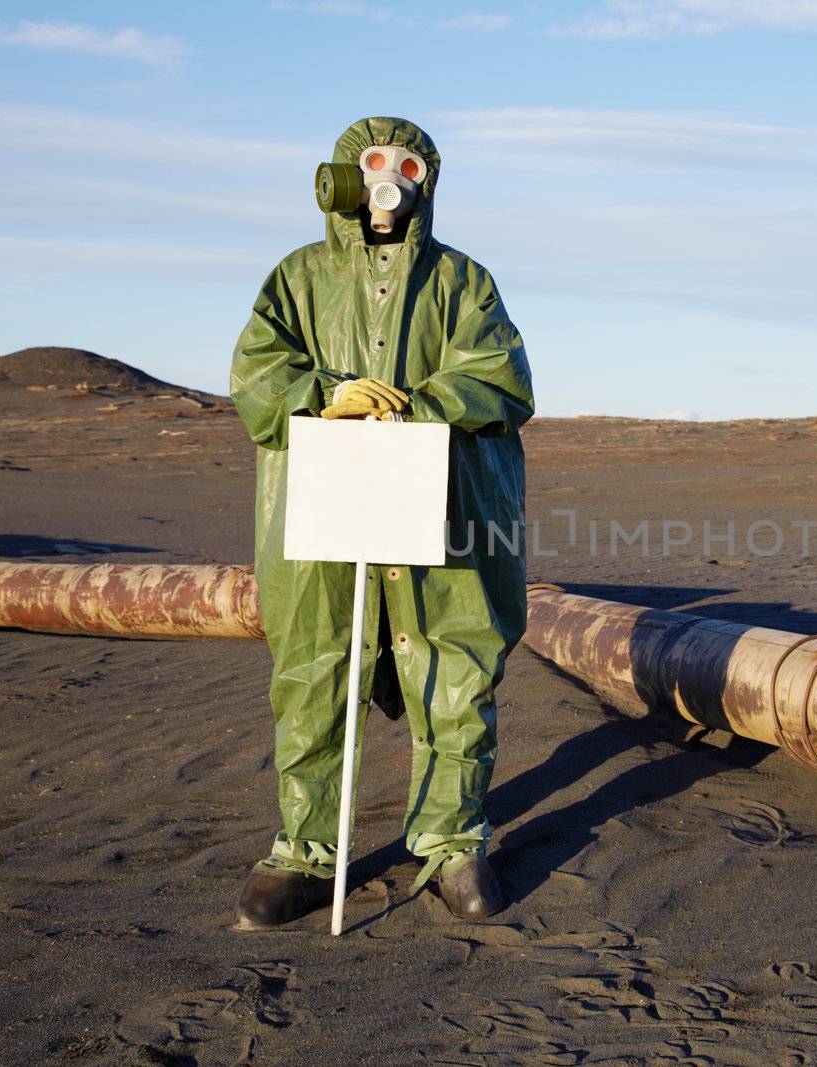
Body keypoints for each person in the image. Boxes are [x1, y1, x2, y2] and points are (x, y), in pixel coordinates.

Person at [228, 116, 534, 928]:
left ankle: (451, 843)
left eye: (405, 166)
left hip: (444, 508)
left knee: (454, 668)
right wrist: (325, 394)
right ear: (338, 177)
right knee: (317, 667)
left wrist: (416, 405)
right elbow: (257, 371)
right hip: (326, 501)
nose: (386, 181)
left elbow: (503, 379)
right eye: (370, 165)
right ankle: (305, 850)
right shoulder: (296, 279)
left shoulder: (462, 282)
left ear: (426, 182)